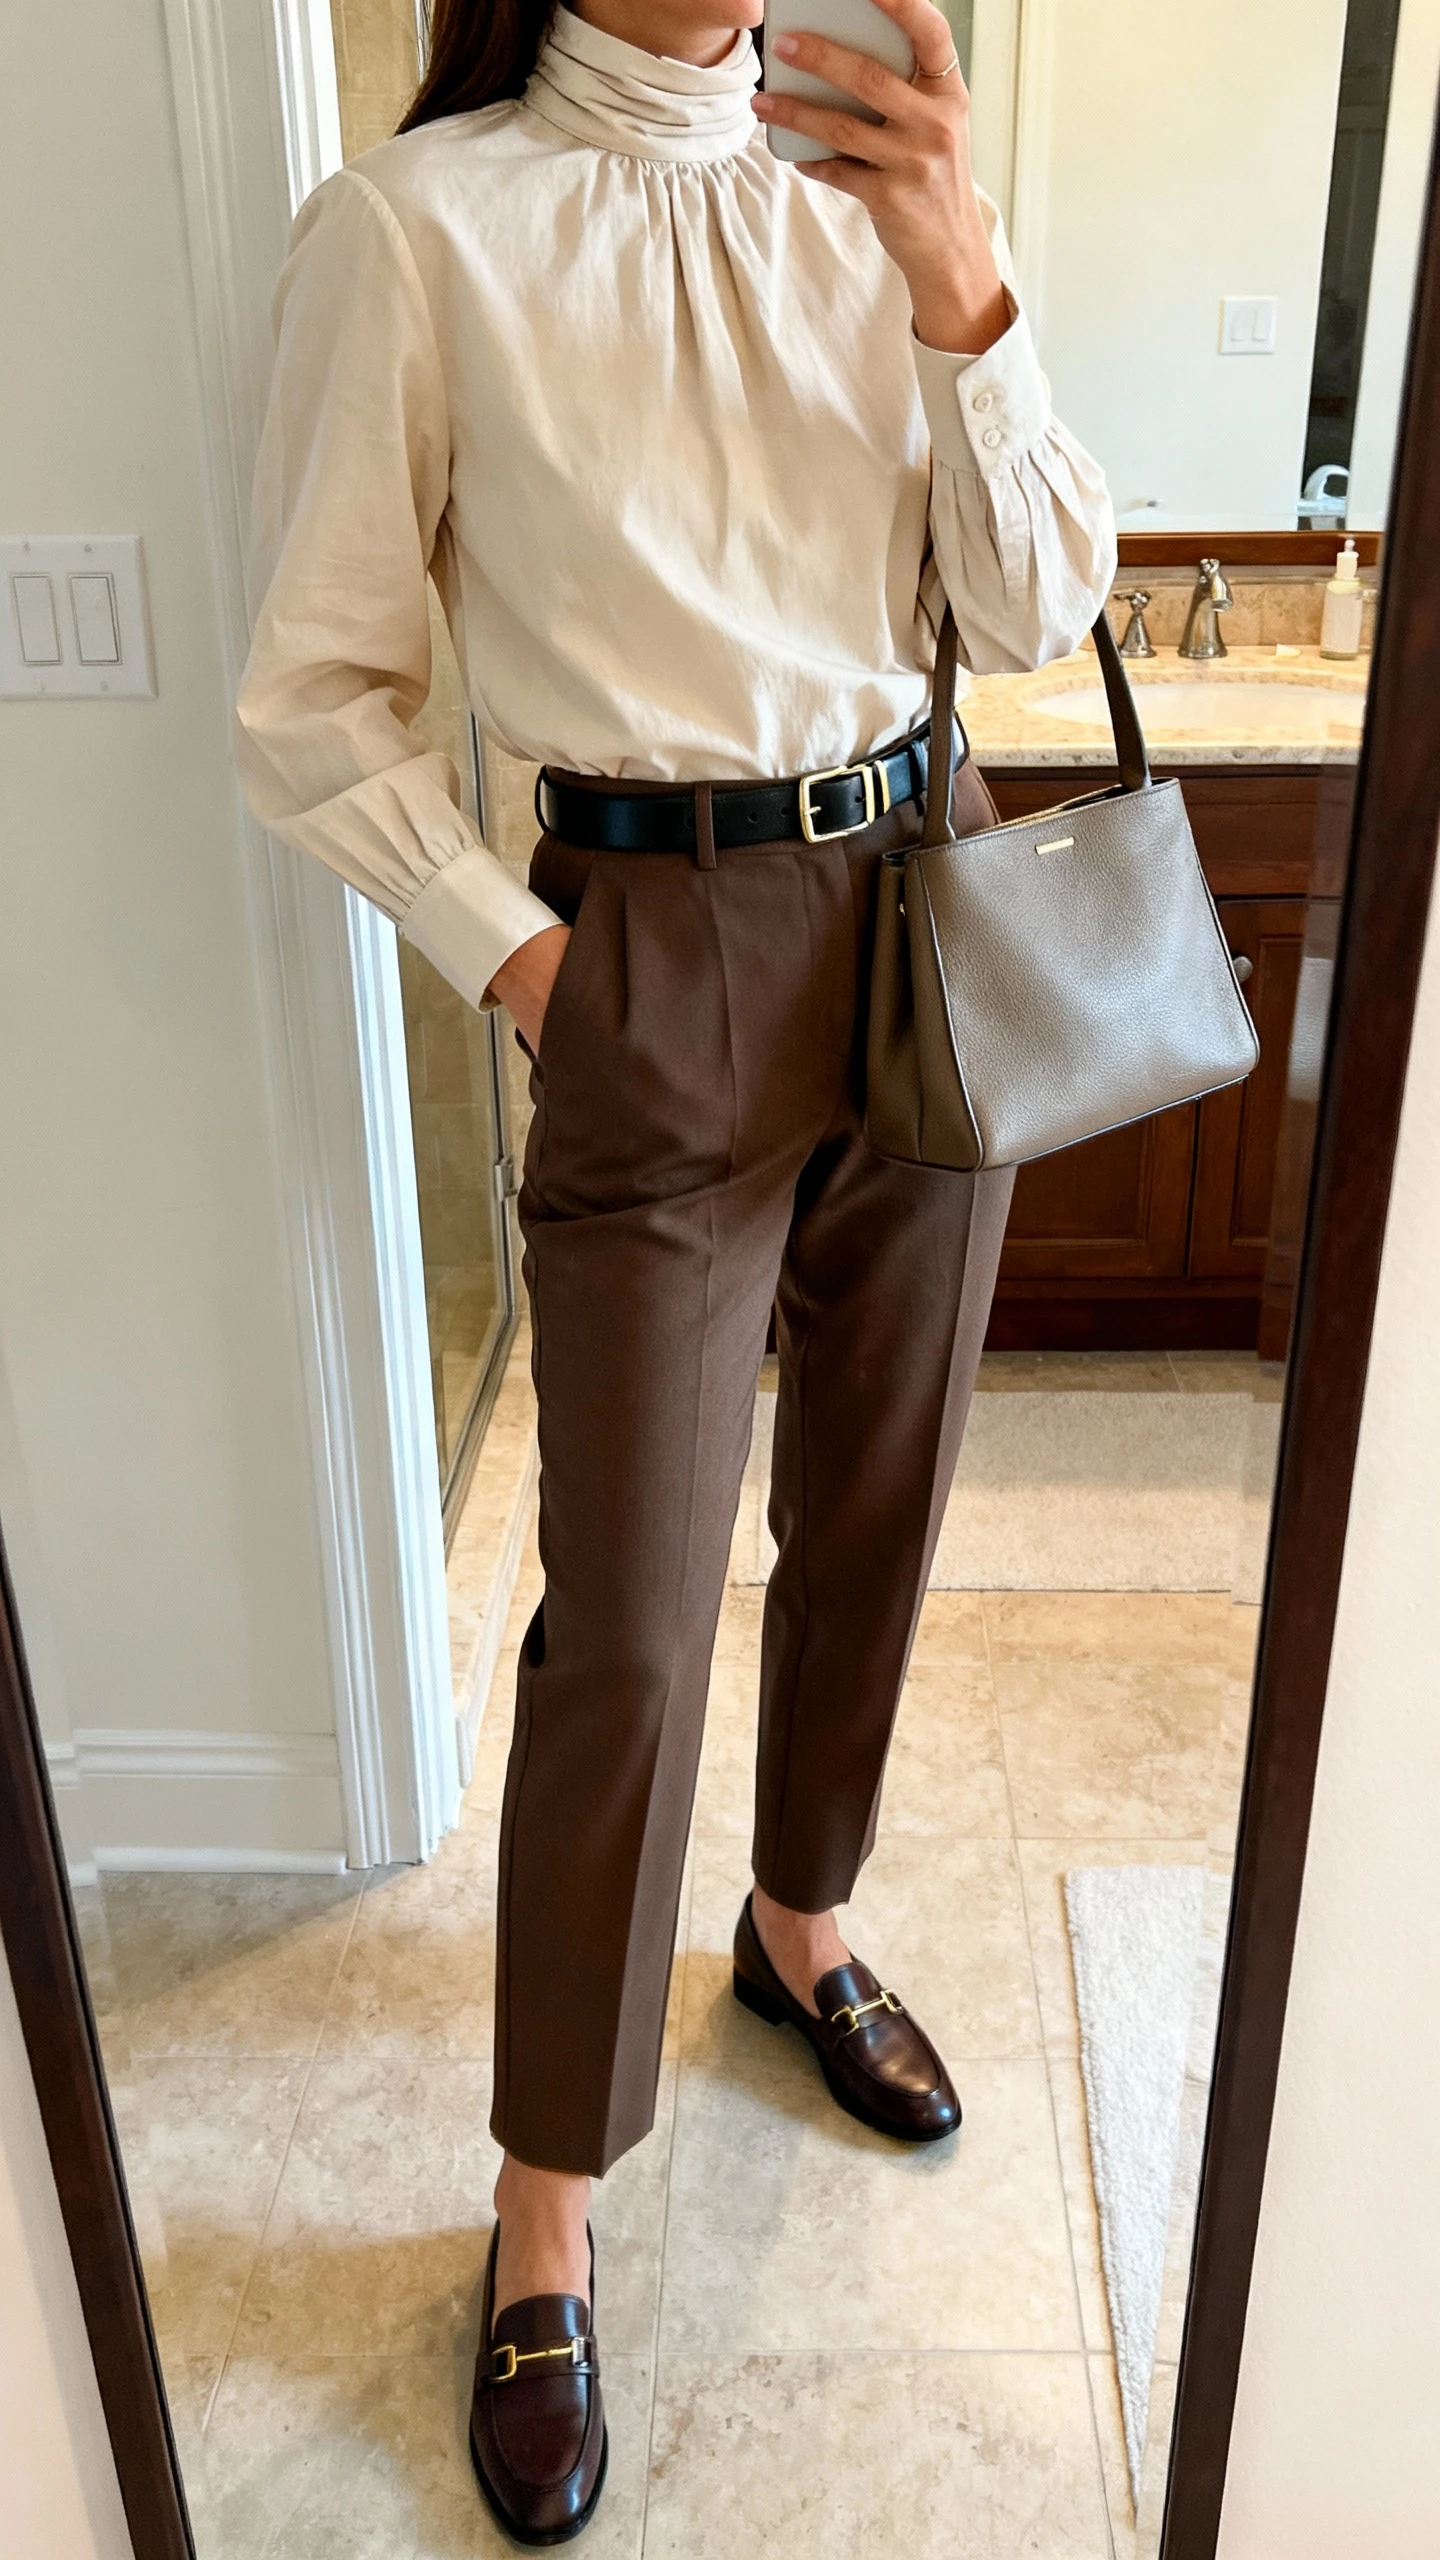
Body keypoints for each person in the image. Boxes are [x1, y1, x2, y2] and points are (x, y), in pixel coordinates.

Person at [236, 0, 1115, 2534]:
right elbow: (310, 698)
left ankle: (801, 1918)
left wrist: (964, 275)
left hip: (927, 900)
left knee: (881, 1493)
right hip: (650, 945)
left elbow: (1038, 598)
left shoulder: (883, 191)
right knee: (622, 1617)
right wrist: (539, 967)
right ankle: (550, 2196)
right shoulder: (420, 229)